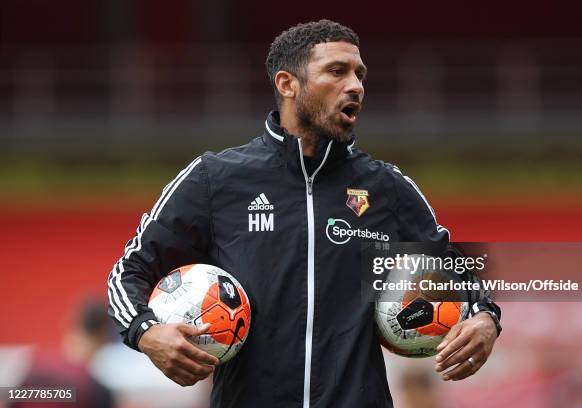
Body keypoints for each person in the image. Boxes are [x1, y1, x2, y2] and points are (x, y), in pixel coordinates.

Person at [107, 19, 501, 407]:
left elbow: (461, 272)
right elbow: (128, 273)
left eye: (360, 74)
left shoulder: (387, 188)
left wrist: (485, 318)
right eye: (337, 71)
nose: (356, 86)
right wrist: (146, 332)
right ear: (287, 84)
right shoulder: (215, 179)